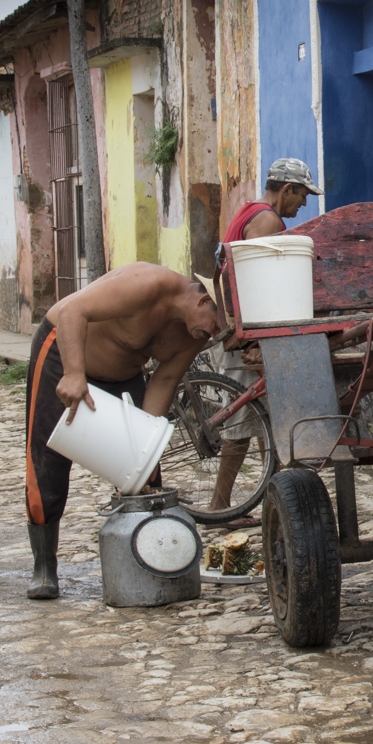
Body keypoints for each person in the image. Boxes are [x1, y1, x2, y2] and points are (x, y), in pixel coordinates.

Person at [24, 263, 223, 600]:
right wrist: (74, 373)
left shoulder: (194, 332)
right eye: (215, 325)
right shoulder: (147, 283)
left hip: (124, 377)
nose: (214, 334)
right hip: (64, 354)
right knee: (48, 461)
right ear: (204, 302)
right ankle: (44, 566)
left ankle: (150, 563)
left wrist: (145, 440)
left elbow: (164, 380)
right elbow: (74, 310)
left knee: (144, 472)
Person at [208, 158, 323, 518]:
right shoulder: (269, 220)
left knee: (264, 422)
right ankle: (220, 506)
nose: (303, 204)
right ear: (286, 189)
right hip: (243, 332)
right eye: (301, 195)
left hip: (237, 326)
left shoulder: (248, 211)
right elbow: (260, 280)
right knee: (240, 428)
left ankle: (276, 501)